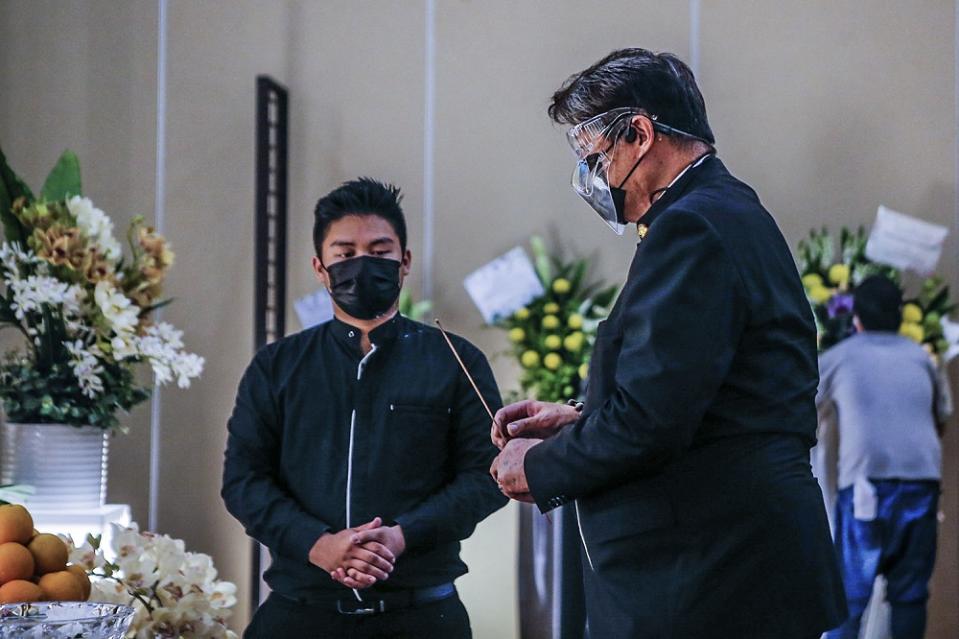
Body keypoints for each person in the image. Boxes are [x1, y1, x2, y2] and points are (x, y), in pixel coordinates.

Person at [490, 48, 847, 638]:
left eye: (596, 157)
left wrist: (542, 464)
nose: (596, 179)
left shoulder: (691, 227)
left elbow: (652, 422)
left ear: (639, 133)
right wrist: (576, 416)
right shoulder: (725, 210)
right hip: (738, 563)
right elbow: (702, 388)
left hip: (714, 572)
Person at [222, 178, 507, 638]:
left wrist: (402, 536)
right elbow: (244, 482)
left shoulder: (455, 360)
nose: (362, 265)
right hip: (299, 611)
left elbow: (488, 476)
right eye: (344, 253)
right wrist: (318, 544)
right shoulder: (277, 366)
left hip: (423, 614)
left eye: (379, 251)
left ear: (404, 262)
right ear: (320, 267)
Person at [818, 275, 951, 639]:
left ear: (854, 318)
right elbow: (941, 416)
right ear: (900, 314)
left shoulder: (839, 356)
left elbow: (800, 404)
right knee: (909, 597)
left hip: (865, 489)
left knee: (848, 598)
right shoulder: (921, 358)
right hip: (922, 484)